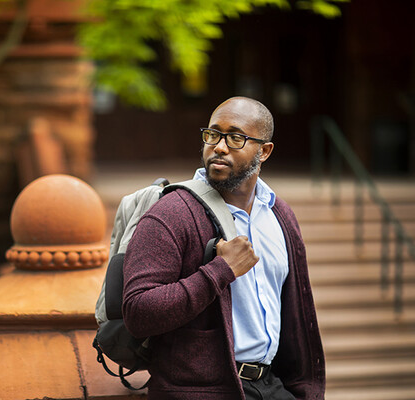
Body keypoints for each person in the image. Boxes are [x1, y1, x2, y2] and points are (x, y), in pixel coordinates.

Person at [122, 96, 325, 400]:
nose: (219, 146)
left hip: (271, 385)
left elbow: (296, 313)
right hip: (200, 391)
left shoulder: (279, 215)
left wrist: (303, 390)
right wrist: (220, 271)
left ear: (264, 151)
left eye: (235, 138)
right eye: (213, 134)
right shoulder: (172, 213)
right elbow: (138, 312)